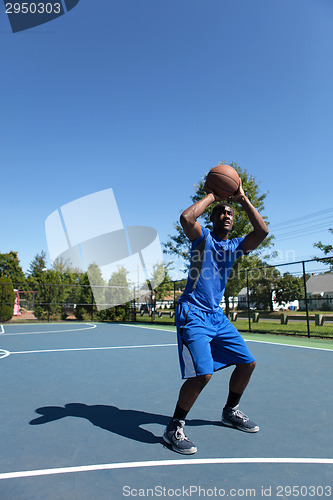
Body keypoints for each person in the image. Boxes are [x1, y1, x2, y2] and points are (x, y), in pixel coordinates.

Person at [163, 177, 269, 454]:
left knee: (248, 363)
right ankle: (174, 426)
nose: (226, 215)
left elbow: (262, 232)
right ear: (211, 219)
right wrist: (213, 194)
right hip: (193, 313)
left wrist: (241, 199)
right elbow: (186, 218)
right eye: (220, 212)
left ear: (234, 221)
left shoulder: (234, 246)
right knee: (203, 374)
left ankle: (230, 411)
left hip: (216, 316)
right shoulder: (203, 238)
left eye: (229, 213)